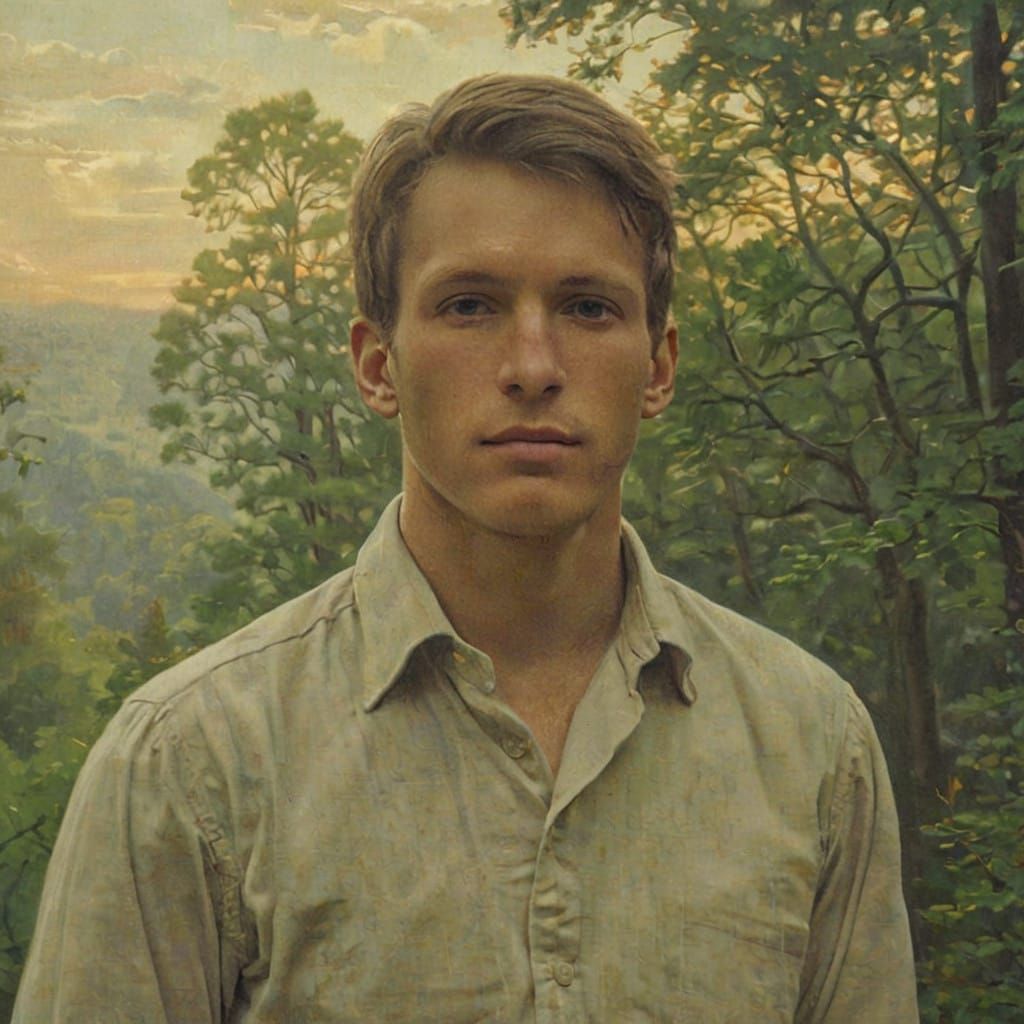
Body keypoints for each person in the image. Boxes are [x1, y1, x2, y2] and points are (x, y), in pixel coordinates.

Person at [13, 74, 918, 1022]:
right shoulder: (189, 763)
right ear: (377, 365)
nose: (533, 368)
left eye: (589, 308)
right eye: (470, 306)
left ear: (657, 368)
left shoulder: (813, 746)